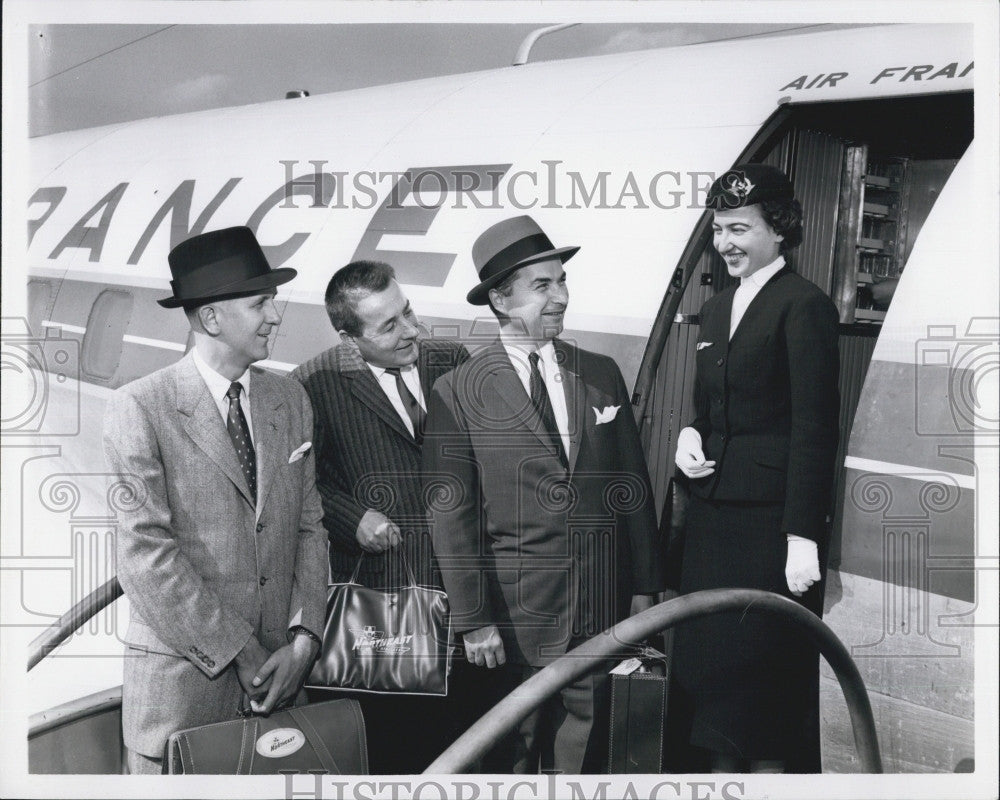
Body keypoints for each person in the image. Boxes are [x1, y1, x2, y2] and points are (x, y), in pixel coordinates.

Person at [422, 215, 665, 774]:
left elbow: (633, 487)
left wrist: (646, 588)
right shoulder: (457, 392)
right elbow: (450, 514)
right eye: (543, 286)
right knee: (515, 758)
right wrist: (473, 616)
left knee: (584, 756)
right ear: (502, 301)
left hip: (599, 612)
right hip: (515, 621)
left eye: (562, 282)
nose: (561, 297)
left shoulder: (600, 374)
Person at [103, 227, 327, 774]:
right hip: (183, 702)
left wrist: (304, 641)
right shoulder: (140, 407)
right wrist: (240, 650)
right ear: (211, 319)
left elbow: (310, 527)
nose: (275, 315)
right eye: (260, 302)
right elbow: (145, 556)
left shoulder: (289, 398)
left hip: (279, 690)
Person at [671, 164, 840, 773]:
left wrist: (803, 535)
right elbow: (708, 408)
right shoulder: (717, 310)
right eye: (719, 230)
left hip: (768, 528)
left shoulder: (805, 307)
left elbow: (815, 429)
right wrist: (690, 434)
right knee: (714, 680)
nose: (725, 244)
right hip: (713, 521)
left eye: (739, 228)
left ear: (780, 231)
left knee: (761, 694)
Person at [291, 260, 472, 773]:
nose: (410, 330)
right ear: (349, 339)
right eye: (389, 326)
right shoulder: (315, 383)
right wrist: (352, 519)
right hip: (387, 608)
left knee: (474, 743)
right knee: (400, 750)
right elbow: (301, 484)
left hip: (467, 594)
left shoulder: (451, 359)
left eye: (408, 312)